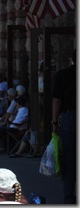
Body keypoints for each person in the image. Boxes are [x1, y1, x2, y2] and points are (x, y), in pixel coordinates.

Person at [51, 56, 76, 204]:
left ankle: (69, 195)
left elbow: (57, 100)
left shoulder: (63, 74)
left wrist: (54, 121)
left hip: (70, 117)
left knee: (69, 155)